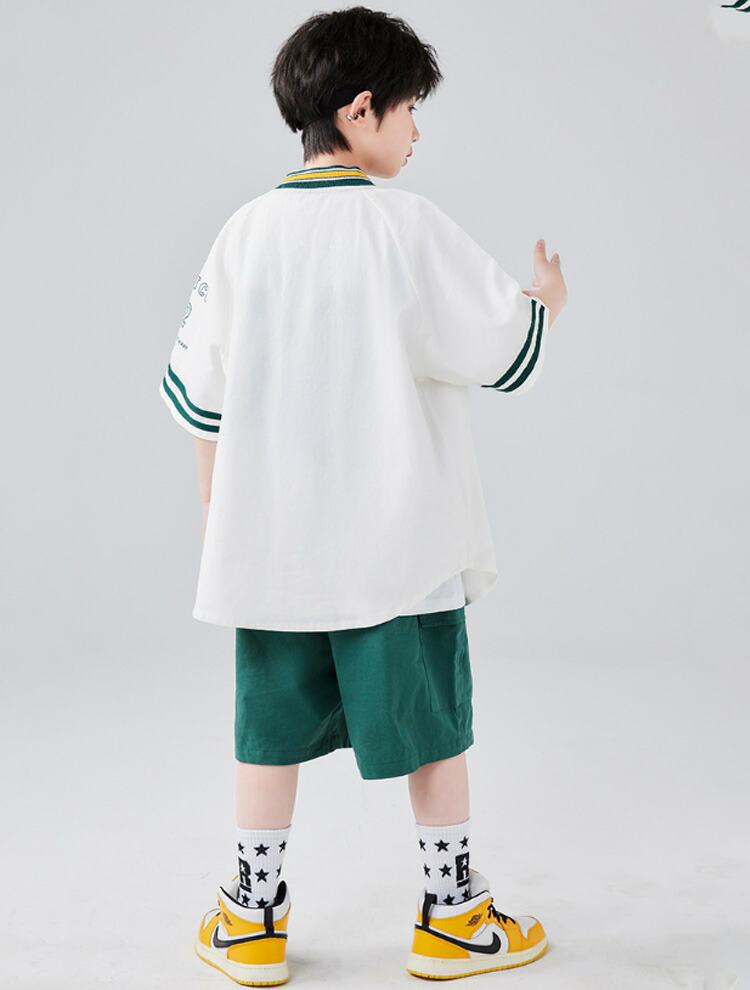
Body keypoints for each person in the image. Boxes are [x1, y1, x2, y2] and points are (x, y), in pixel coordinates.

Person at [158, 6, 567, 986]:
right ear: (360, 109)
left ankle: (252, 921)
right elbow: (502, 350)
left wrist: (221, 526)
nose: (417, 132)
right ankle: (453, 918)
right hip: (399, 542)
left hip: (275, 546)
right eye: (411, 109)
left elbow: (201, 401)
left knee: (268, 732)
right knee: (431, 726)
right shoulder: (405, 225)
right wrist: (546, 302)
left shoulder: (244, 234)